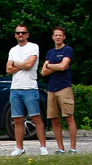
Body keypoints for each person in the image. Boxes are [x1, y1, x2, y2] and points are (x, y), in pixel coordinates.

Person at [6, 24, 49, 156]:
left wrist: (15, 64)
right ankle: (19, 148)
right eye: (18, 33)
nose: (20, 35)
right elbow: (8, 69)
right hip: (15, 88)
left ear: (27, 34)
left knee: (36, 117)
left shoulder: (33, 47)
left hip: (29, 88)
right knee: (18, 119)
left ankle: (43, 147)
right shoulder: (13, 50)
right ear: (15, 35)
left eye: (23, 33)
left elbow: (30, 65)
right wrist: (22, 64)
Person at [41, 27, 77, 154]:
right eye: (56, 35)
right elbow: (43, 72)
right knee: (54, 119)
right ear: (52, 37)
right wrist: (56, 66)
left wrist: (50, 65)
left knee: (69, 117)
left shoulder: (68, 50)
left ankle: (73, 148)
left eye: (60, 35)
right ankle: (60, 148)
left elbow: (63, 66)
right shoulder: (50, 53)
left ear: (64, 37)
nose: (58, 37)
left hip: (64, 87)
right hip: (52, 89)